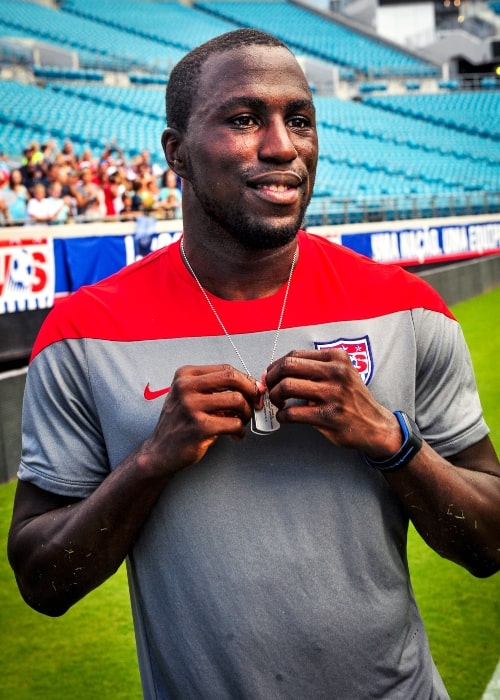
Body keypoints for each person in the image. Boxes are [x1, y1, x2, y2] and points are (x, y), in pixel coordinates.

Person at [7, 29, 500, 700]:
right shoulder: (83, 333)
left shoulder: (409, 310)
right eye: (244, 119)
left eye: (300, 119)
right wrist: (151, 461)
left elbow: (491, 541)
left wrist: (392, 439)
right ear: (175, 154)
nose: (283, 146)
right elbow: (42, 579)